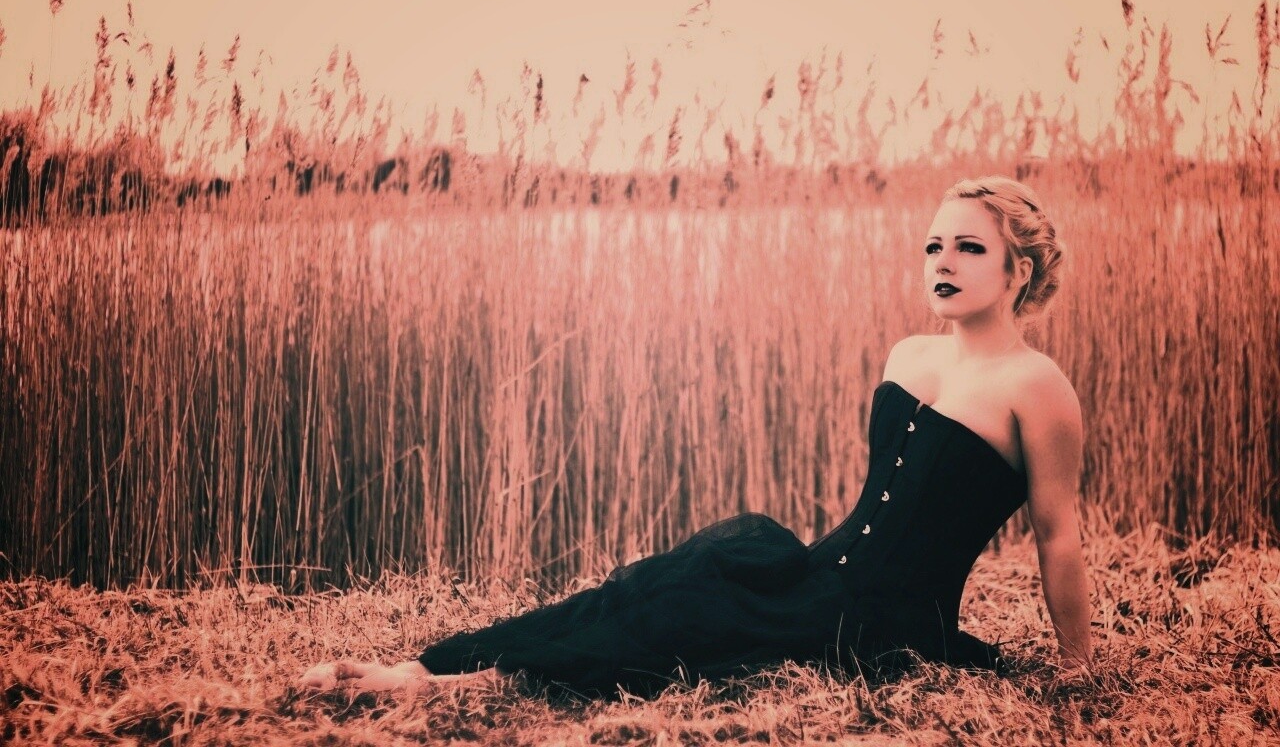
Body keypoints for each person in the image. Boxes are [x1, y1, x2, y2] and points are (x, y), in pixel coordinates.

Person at [299, 175, 1092, 697]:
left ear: (1018, 271)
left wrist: (1078, 668)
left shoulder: (1037, 387)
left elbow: (1058, 536)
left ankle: (452, 684)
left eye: (969, 248)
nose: (943, 261)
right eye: (933, 246)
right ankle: (430, 667)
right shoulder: (909, 356)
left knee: (687, 622)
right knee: (674, 582)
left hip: (884, 627)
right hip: (820, 573)